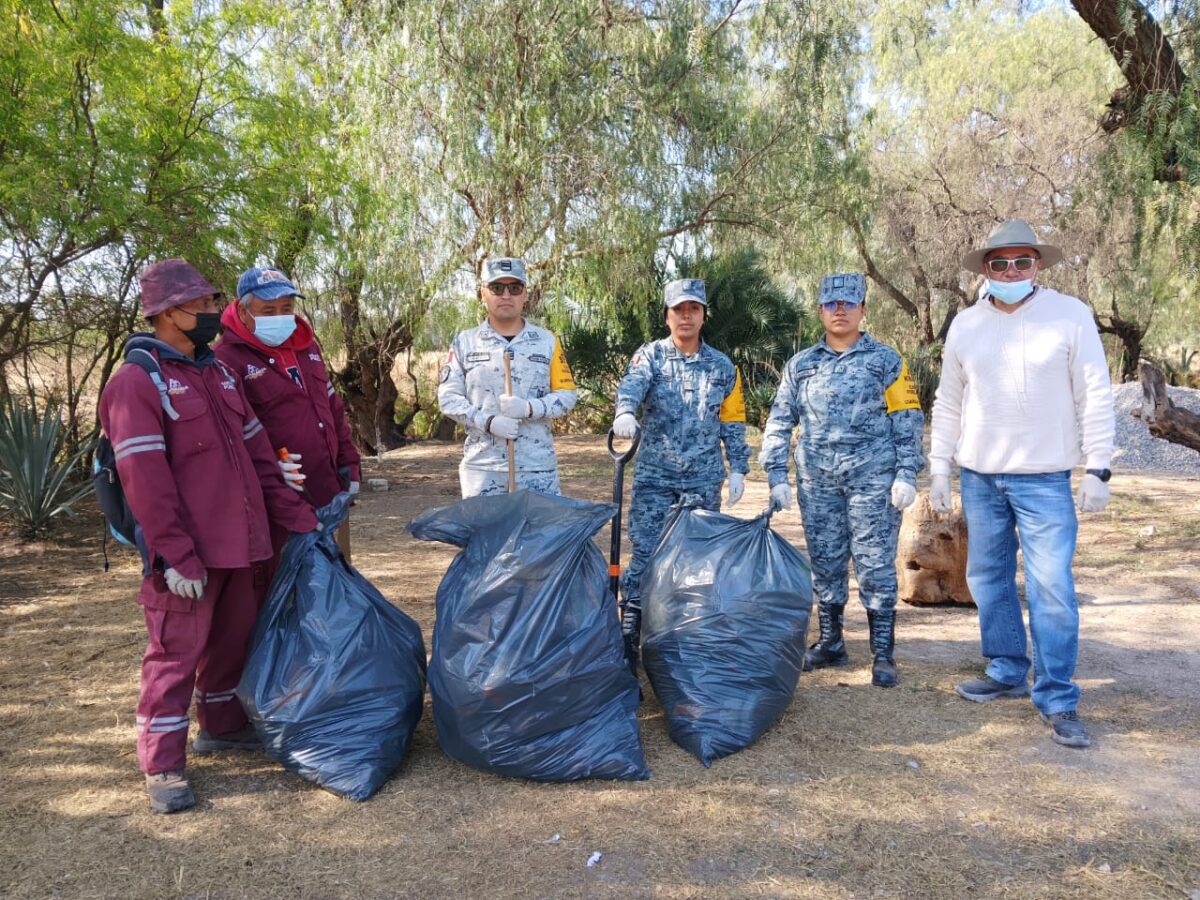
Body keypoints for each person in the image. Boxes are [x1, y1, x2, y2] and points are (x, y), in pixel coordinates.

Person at [98, 259, 319, 814]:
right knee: (174, 656)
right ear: (167, 313)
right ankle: (163, 764)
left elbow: (257, 453)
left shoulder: (215, 372)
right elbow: (143, 480)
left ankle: (220, 726)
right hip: (187, 555)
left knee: (231, 642)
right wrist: (174, 555)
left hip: (239, 544)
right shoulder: (136, 383)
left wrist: (299, 519)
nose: (208, 315)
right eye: (198, 307)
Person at [929, 219, 1115, 748]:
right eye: (999, 263)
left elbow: (1094, 392)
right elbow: (949, 401)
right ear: (985, 269)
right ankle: (1008, 667)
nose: (1010, 271)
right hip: (981, 476)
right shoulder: (965, 325)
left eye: (1022, 262)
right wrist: (940, 466)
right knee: (987, 578)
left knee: (1051, 587)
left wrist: (1098, 466)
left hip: (1045, 479)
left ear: (1038, 265)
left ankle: (1057, 698)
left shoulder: (1070, 316)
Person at [759, 273, 924, 687]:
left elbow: (908, 420)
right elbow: (779, 421)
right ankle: (832, 642)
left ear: (863, 310)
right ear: (820, 311)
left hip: (874, 479)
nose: (840, 311)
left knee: (873, 564)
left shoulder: (887, 361)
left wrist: (907, 473)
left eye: (849, 304)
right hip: (818, 483)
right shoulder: (801, 366)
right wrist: (777, 473)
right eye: (831, 304)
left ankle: (882, 653)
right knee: (827, 562)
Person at [612, 278, 750, 672]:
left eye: (693, 309)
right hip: (657, 479)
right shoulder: (651, 356)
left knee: (699, 561)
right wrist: (625, 411)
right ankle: (629, 636)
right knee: (645, 555)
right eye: (678, 309)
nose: (685, 316)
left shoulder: (723, 366)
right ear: (667, 315)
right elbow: (632, 386)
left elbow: (733, 420)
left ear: (704, 315)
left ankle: (685, 636)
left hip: (704, 481)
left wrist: (738, 466)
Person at [215, 266, 361, 569]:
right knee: (292, 587)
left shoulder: (307, 347)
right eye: (268, 310)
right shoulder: (227, 359)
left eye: (287, 308)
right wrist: (270, 465)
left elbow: (333, 409)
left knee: (338, 581)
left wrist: (350, 464)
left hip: (328, 490)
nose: (280, 317)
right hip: (279, 502)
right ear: (243, 312)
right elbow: (231, 434)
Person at [438, 257, 578, 497]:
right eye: (496, 288)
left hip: (537, 470)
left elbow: (567, 396)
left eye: (514, 288)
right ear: (483, 293)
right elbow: (448, 398)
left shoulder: (547, 342)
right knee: (486, 535)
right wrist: (488, 421)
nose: (506, 295)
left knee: (538, 535)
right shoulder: (464, 342)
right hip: (483, 469)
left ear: (525, 294)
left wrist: (530, 408)